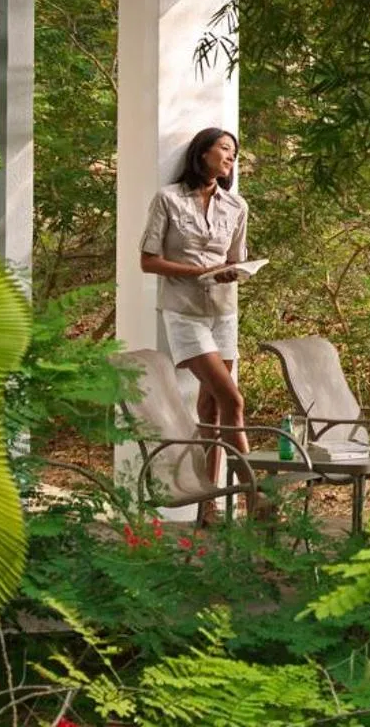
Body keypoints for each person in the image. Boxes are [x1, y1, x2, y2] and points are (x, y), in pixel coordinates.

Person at [139, 126, 252, 520]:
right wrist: (193, 272)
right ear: (202, 153)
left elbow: (236, 259)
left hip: (224, 313)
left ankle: (208, 506)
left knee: (214, 409)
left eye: (234, 154)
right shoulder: (168, 200)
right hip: (185, 313)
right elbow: (147, 260)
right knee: (233, 400)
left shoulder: (237, 206)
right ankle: (254, 498)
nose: (231, 157)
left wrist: (233, 272)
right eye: (225, 149)